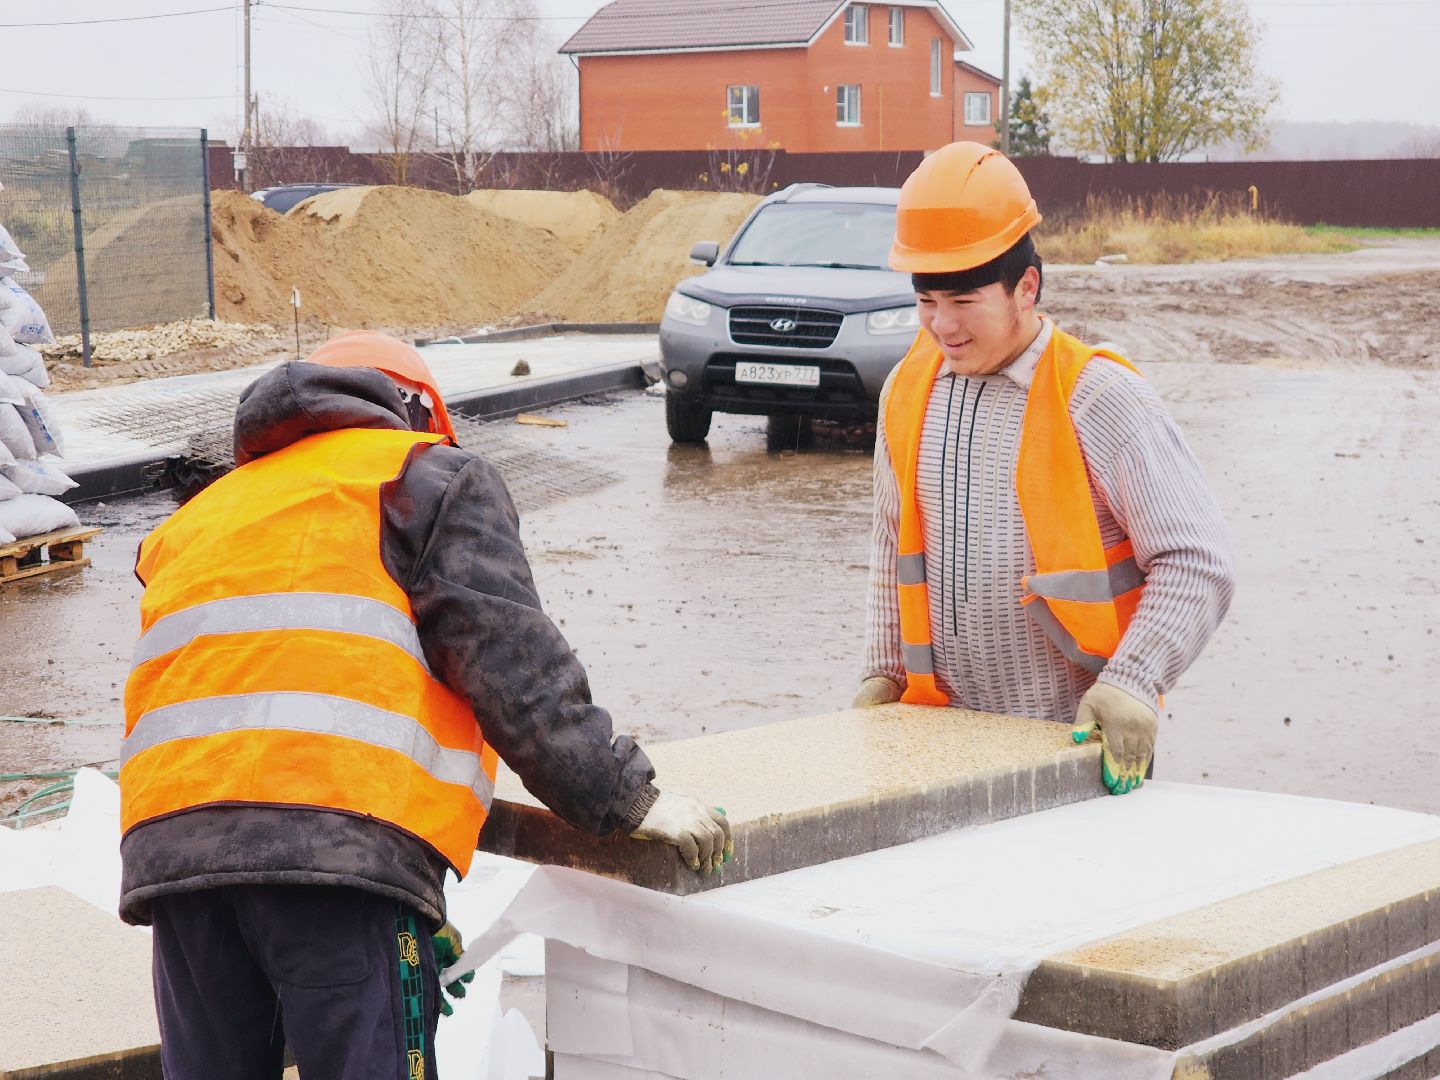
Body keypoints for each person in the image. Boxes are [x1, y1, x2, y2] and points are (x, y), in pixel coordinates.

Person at [119, 330, 730, 1080]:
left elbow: (262, 697)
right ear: (421, 416)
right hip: (337, 864)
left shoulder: (203, 517)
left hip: (176, 865)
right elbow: (513, 665)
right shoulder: (424, 479)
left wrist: (408, 889)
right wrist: (624, 799)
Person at [853, 142, 1235, 796]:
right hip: (937, 748)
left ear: (1026, 286)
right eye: (927, 300)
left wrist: (1135, 681)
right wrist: (881, 674)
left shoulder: (1101, 399)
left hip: (1072, 753)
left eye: (964, 301)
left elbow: (1197, 561)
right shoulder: (906, 391)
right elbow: (894, 544)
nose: (941, 325)